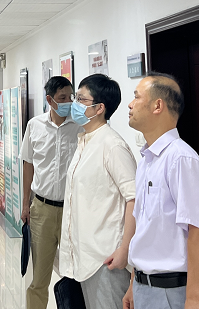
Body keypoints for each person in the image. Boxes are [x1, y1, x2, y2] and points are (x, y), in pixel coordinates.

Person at [122, 72, 199, 309]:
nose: (130, 104)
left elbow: (198, 231)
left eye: (136, 97)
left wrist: (194, 299)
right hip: (144, 288)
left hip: (174, 292)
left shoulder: (181, 159)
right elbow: (143, 228)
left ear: (157, 105)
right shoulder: (146, 160)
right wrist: (134, 283)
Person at [59, 74, 137, 309]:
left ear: (99, 108)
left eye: (81, 99)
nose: (74, 104)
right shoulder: (85, 141)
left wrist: (125, 249)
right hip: (83, 257)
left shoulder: (112, 146)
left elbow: (135, 199)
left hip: (106, 259)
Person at [20, 76, 83, 309]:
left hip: (73, 210)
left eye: (70, 97)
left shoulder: (81, 126)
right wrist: (25, 204)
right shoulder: (35, 125)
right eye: (62, 98)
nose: (68, 102)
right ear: (49, 100)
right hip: (42, 209)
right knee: (39, 278)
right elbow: (28, 164)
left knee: (76, 274)